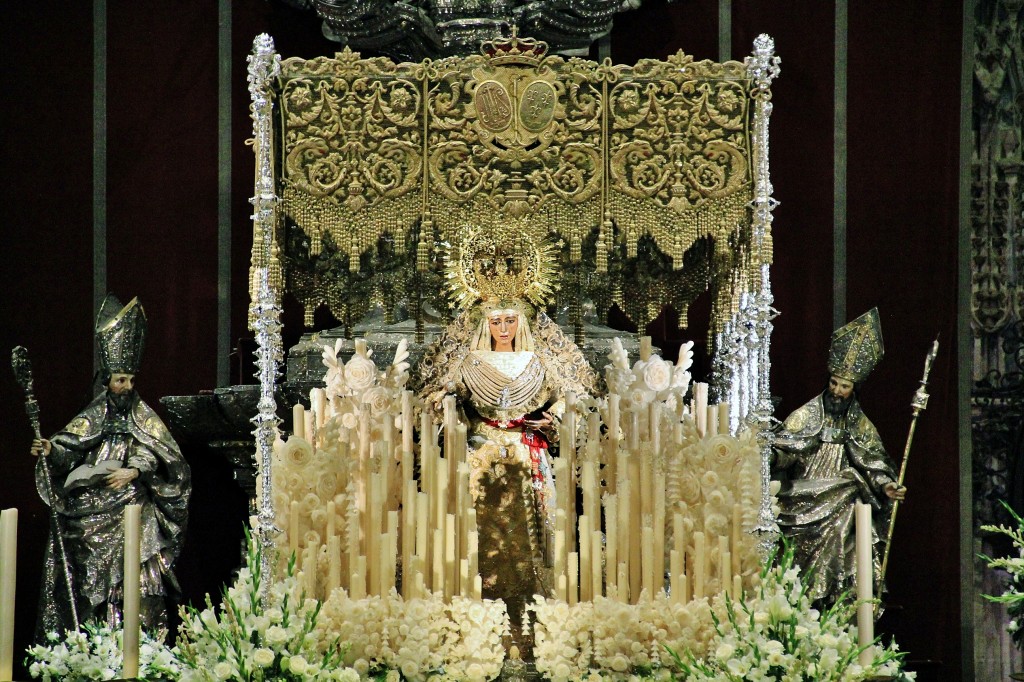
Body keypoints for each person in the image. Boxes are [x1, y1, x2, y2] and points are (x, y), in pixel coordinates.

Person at [418, 233, 596, 645]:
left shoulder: (539, 360)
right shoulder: (468, 361)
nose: (503, 328)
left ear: (522, 321)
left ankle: (534, 608)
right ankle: (477, 606)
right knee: (480, 532)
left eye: (510, 320)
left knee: (535, 533)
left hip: (527, 455)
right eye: (495, 321)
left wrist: (551, 419)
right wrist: (447, 404)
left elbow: (571, 398)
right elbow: (443, 398)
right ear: (484, 323)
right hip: (481, 456)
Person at [31, 295, 191, 636]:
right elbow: (70, 443)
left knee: (137, 572)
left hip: (132, 503)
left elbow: (158, 452)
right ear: (107, 382)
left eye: (131, 380)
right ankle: (92, 642)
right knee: (88, 575)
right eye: (120, 380)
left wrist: (133, 470)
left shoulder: (142, 416)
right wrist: (49, 448)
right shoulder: (95, 414)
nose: (127, 387)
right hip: (93, 505)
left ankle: (138, 643)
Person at [771, 308, 906, 609]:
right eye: (833, 383)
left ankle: (837, 605)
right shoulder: (804, 415)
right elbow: (784, 449)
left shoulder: (860, 426)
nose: (836, 390)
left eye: (844, 386)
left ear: (853, 390)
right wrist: (771, 456)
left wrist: (886, 487)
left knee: (851, 502)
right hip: (803, 497)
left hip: (840, 501)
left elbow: (874, 463)